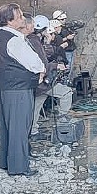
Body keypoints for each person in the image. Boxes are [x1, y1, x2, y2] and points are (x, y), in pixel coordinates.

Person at [0, 3, 46, 177]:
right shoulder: (13, 39)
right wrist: (41, 70)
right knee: (19, 127)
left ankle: (6, 161)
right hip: (18, 89)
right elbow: (34, 62)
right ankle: (19, 166)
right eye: (20, 16)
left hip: (5, 87)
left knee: (8, 127)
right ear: (10, 20)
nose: (23, 18)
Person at [26, 15, 73, 143]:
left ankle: (33, 131)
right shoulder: (35, 41)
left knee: (36, 106)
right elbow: (42, 64)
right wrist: (56, 65)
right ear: (44, 29)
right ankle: (62, 118)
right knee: (66, 92)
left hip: (34, 82)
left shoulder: (31, 40)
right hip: (42, 82)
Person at [52, 10, 77, 74]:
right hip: (63, 51)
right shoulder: (54, 30)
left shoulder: (64, 28)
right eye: (62, 19)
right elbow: (55, 41)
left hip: (69, 50)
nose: (64, 21)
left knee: (68, 69)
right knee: (65, 69)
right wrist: (66, 38)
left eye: (65, 19)